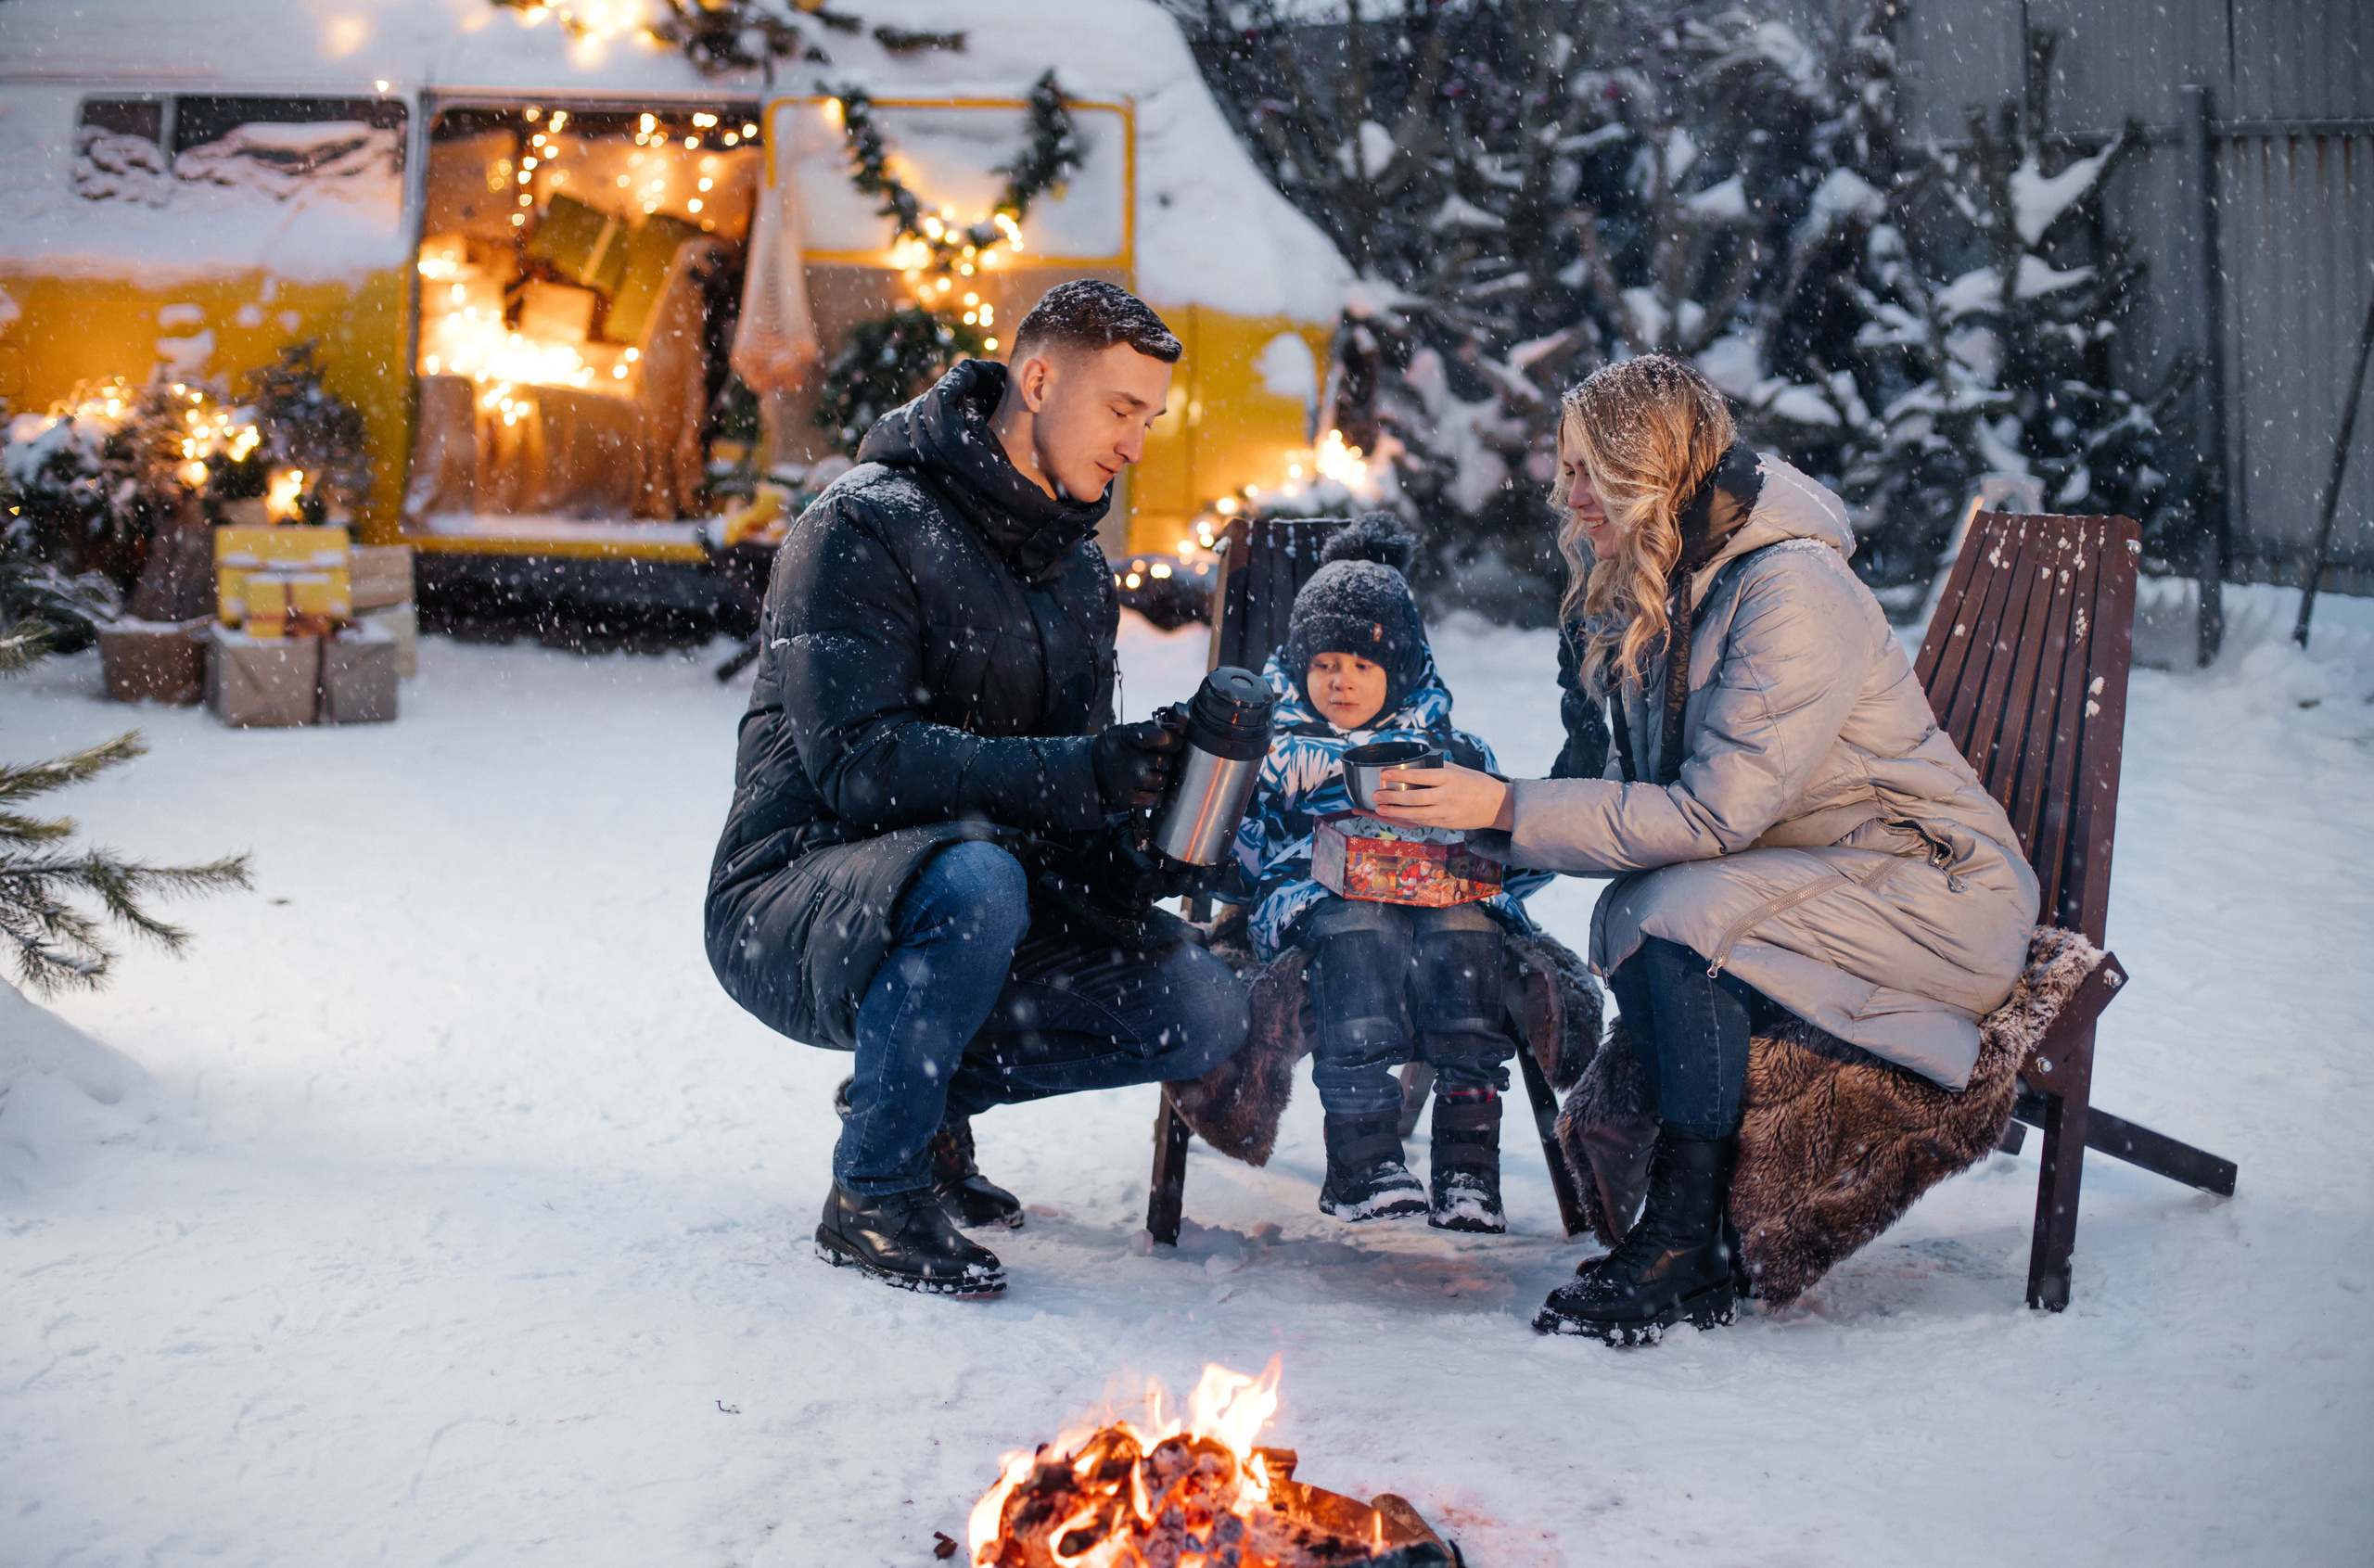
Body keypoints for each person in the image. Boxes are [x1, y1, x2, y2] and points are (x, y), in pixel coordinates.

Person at [1372, 355, 2040, 1345]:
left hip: (1934, 890)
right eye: (1563, 471)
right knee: (1642, 910)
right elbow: (1633, 787)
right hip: (1835, 871)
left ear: (1653, 470)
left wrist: (1510, 804)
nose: (1565, 496)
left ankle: (1687, 1243)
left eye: (1585, 471)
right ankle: (1692, 1232)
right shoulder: (1675, 581)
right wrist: (1478, 833)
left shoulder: (1788, 590)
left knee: (1672, 913)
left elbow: (1711, 818)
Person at [704, 282, 1251, 1299]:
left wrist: (1153, 831)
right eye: (1122, 409)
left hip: (964, 886)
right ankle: (872, 1189)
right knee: (976, 880)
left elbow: (1057, 801)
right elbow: (861, 767)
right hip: (791, 891)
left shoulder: (1074, 571)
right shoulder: (861, 525)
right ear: (1039, 381)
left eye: (1151, 417)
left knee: (1202, 1002)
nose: (1136, 443)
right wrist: (1078, 773)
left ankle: (914, 1101)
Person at [1232, 514, 1550, 1233]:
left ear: (1400, 671)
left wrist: (1486, 859)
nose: (1340, 680)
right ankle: (1363, 1153)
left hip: (1435, 901)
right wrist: (1292, 844)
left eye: (1362, 665)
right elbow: (1238, 848)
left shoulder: (1448, 749)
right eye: (1323, 664)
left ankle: (1469, 1163)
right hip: (1323, 900)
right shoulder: (1278, 750)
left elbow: (1511, 851)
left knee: (1467, 927)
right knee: (1362, 924)